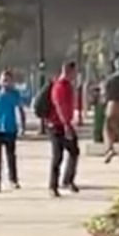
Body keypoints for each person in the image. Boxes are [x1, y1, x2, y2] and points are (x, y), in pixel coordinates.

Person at [0, 70, 26, 192]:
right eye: (4, 80)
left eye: (8, 80)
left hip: (10, 128)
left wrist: (23, 125)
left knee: (11, 156)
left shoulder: (15, 94)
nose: (6, 83)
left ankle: (13, 179)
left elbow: (20, 109)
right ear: (0, 81)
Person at [48, 61, 81, 197]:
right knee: (58, 156)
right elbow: (59, 106)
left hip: (66, 124)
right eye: (73, 73)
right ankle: (53, 185)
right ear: (67, 71)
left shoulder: (68, 86)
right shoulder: (59, 87)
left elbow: (70, 105)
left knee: (74, 151)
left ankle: (68, 179)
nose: (75, 76)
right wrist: (66, 125)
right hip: (57, 125)